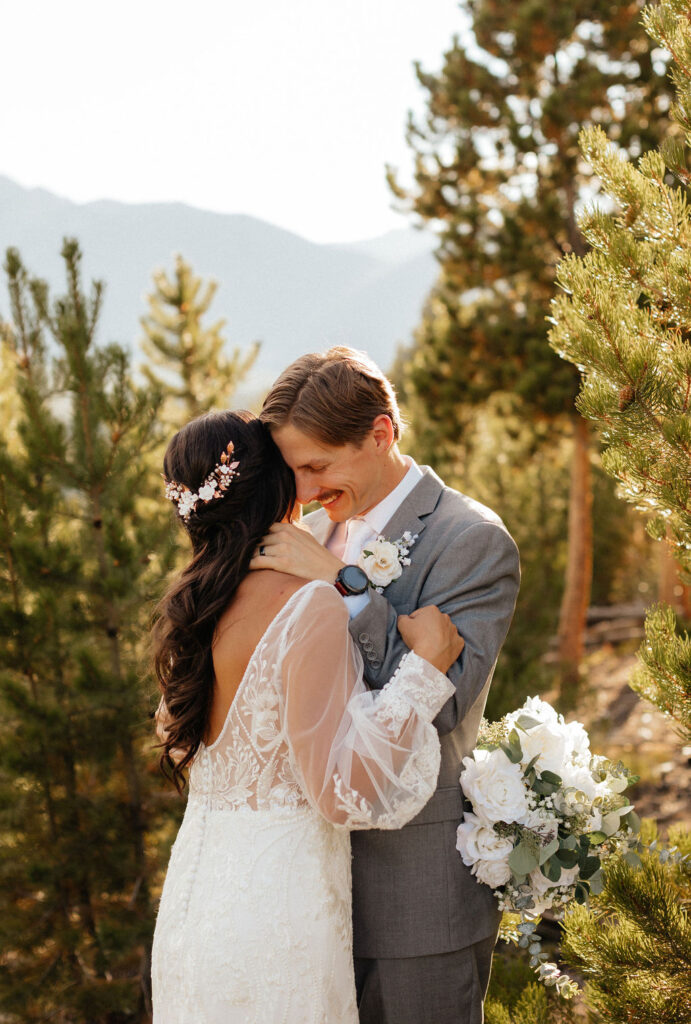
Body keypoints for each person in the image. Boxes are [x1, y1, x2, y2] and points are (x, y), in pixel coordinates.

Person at [150, 409, 467, 1024]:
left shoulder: (194, 604)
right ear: (275, 486)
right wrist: (423, 673)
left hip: (195, 899)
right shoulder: (308, 605)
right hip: (279, 907)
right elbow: (341, 791)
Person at [254, 347, 521, 1024]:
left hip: (415, 897)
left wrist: (339, 583)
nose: (306, 490)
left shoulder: (470, 539)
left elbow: (444, 701)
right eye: (294, 471)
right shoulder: (309, 536)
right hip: (307, 890)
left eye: (317, 466)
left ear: (380, 433)